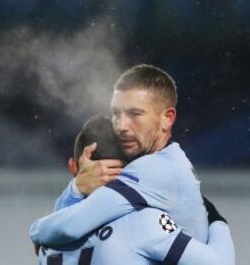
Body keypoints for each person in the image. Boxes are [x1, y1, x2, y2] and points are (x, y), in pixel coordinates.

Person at [30, 64, 210, 246]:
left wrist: (75, 191)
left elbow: (64, 229)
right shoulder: (168, 160)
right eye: (116, 114)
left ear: (167, 118)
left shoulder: (155, 171)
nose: (121, 126)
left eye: (135, 114)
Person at [37, 116, 234, 264]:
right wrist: (216, 219)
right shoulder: (144, 224)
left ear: (73, 166)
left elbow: (67, 220)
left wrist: (75, 190)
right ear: (131, 169)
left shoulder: (48, 239)